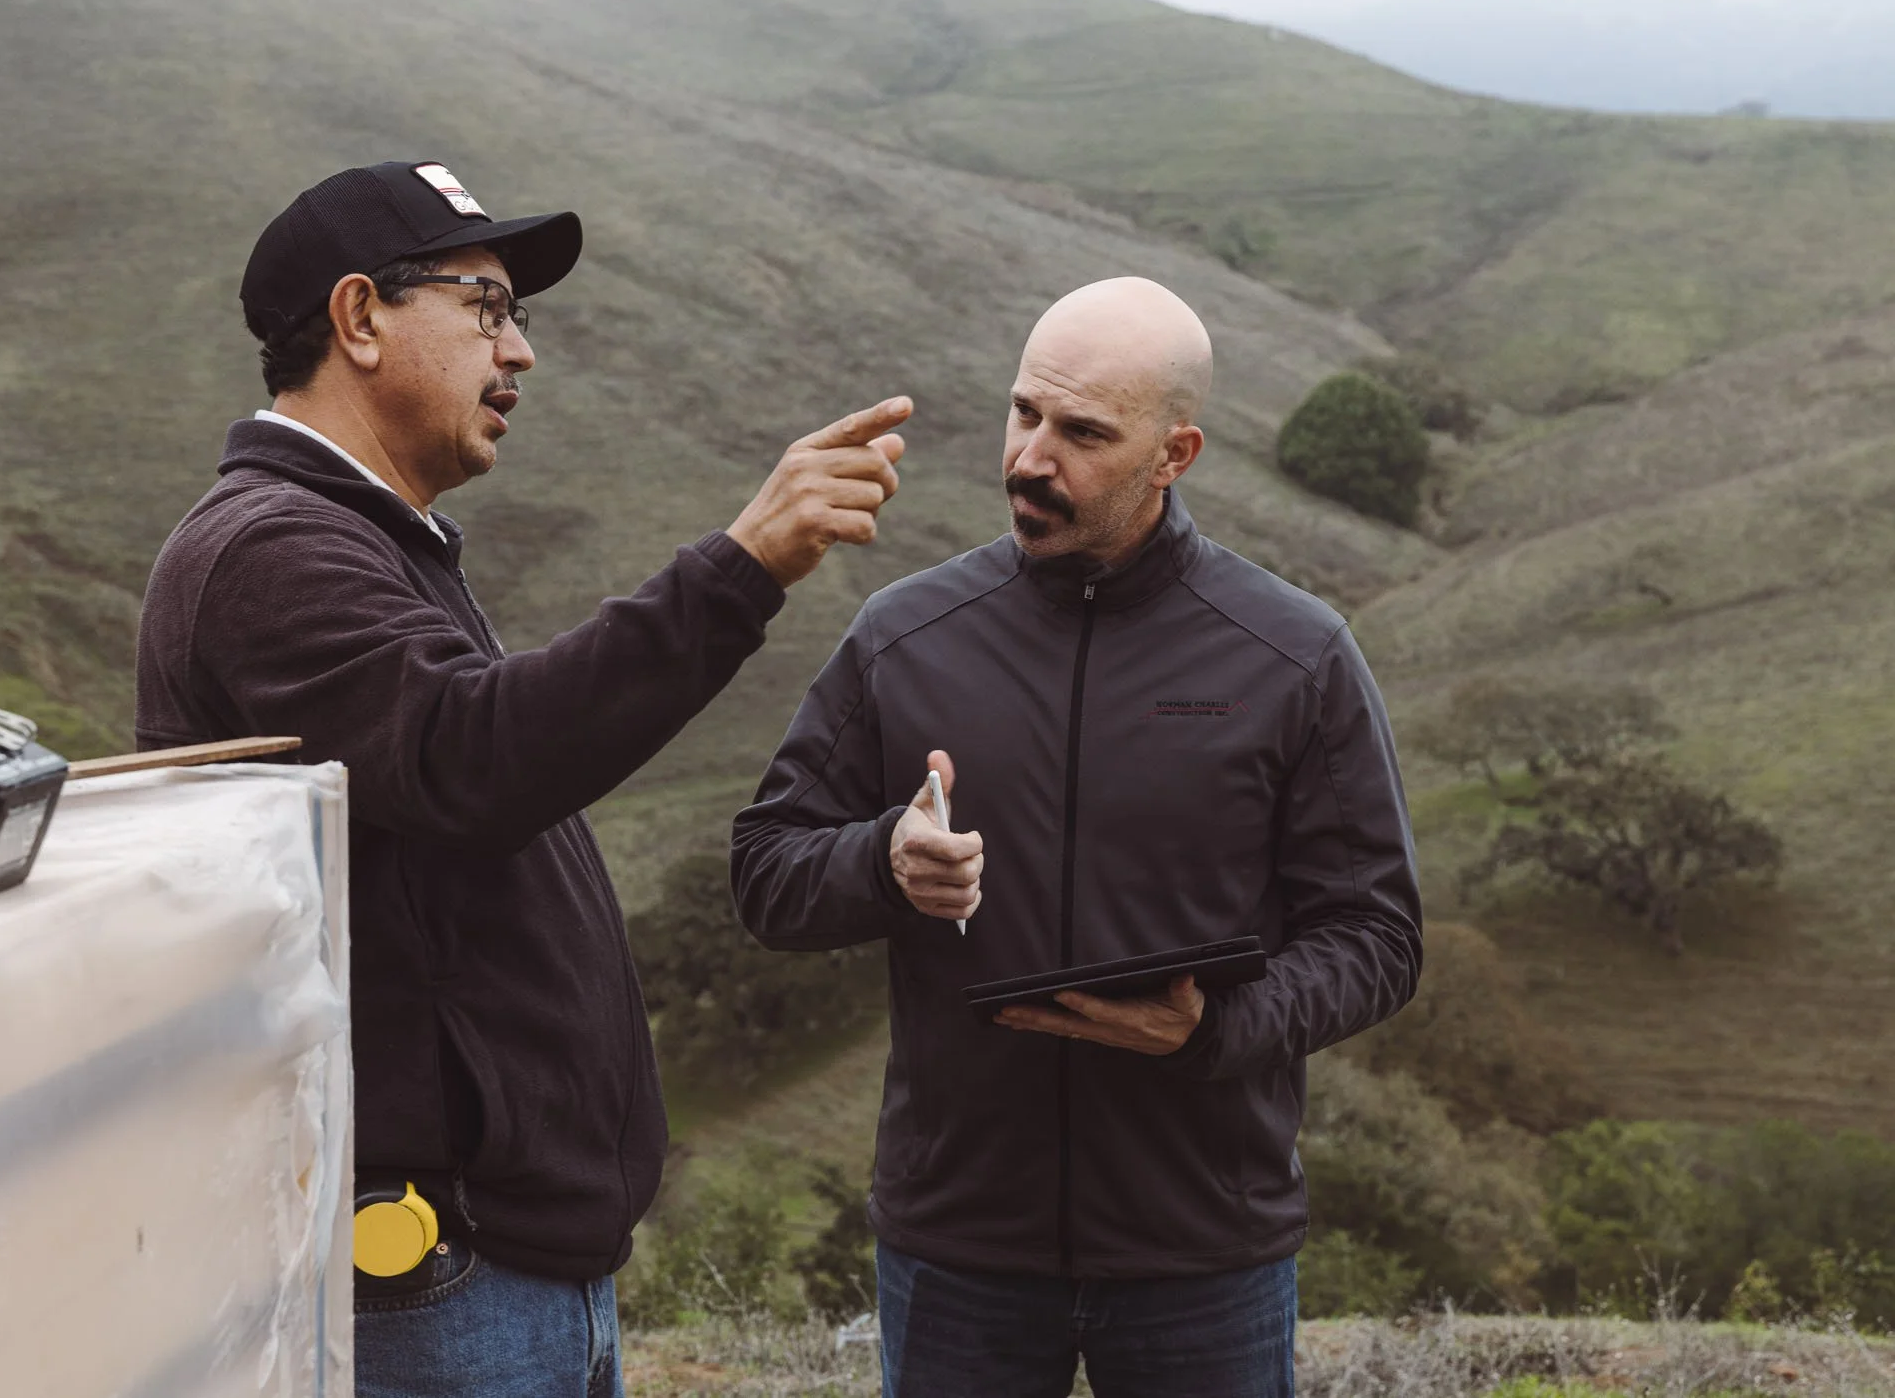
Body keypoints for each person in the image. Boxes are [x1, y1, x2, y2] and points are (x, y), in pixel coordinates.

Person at [135, 160, 911, 1398]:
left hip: (498, 1271)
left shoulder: (372, 539)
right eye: (484, 308)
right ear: (358, 319)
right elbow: (477, 757)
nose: (520, 354)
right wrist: (743, 565)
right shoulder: (270, 549)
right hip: (434, 1282)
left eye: (519, 318)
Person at [729, 278, 1421, 1398]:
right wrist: (882, 864)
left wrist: (1213, 1028)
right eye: (1023, 414)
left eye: (1082, 433)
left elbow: (1377, 937)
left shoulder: (1292, 653)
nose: (1030, 458)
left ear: (1174, 452)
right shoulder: (905, 636)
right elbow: (764, 871)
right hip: (957, 1247)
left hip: (1204, 1247)